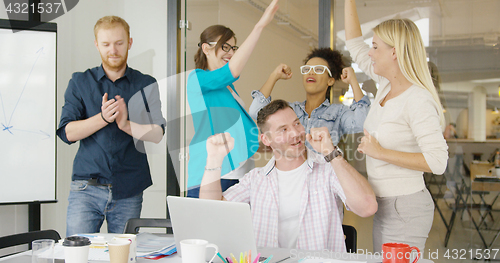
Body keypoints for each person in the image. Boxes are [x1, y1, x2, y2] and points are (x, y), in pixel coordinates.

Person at [199, 99, 377, 251]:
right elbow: (211, 212)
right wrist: (214, 160)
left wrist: (330, 153)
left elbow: (367, 207)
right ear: (266, 140)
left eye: (297, 123)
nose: (295, 133)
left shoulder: (328, 169)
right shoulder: (256, 179)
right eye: (283, 129)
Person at [344, 0, 448, 252]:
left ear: (394, 52)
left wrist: (380, 153)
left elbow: (438, 161)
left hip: (405, 208)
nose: (369, 53)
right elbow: (354, 43)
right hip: (385, 204)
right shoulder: (386, 84)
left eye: (375, 47)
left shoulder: (417, 99)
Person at [57, 16, 166, 236]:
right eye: (106, 44)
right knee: (77, 256)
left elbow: (156, 133)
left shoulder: (146, 83)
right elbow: (67, 132)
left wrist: (124, 124)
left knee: (123, 256)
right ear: (97, 44)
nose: (113, 50)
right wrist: (103, 118)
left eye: (119, 43)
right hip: (85, 188)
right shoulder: (79, 81)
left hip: (129, 189)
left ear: (130, 43)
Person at [186, 0, 280, 197]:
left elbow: (248, 120)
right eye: (225, 47)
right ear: (206, 48)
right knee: (208, 226)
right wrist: (260, 25)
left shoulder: (227, 87)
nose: (230, 53)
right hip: (212, 173)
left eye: (233, 48)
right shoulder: (197, 79)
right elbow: (234, 69)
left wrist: (274, 77)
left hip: (237, 171)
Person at [249, 48, 370, 145]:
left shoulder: (338, 112)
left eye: (318, 69)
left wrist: (354, 81)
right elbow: (256, 112)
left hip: (323, 175)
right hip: (292, 174)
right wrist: (274, 76)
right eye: (307, 69)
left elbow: (360, 122)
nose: (311, 72)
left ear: (330, 81)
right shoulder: (290, 110)